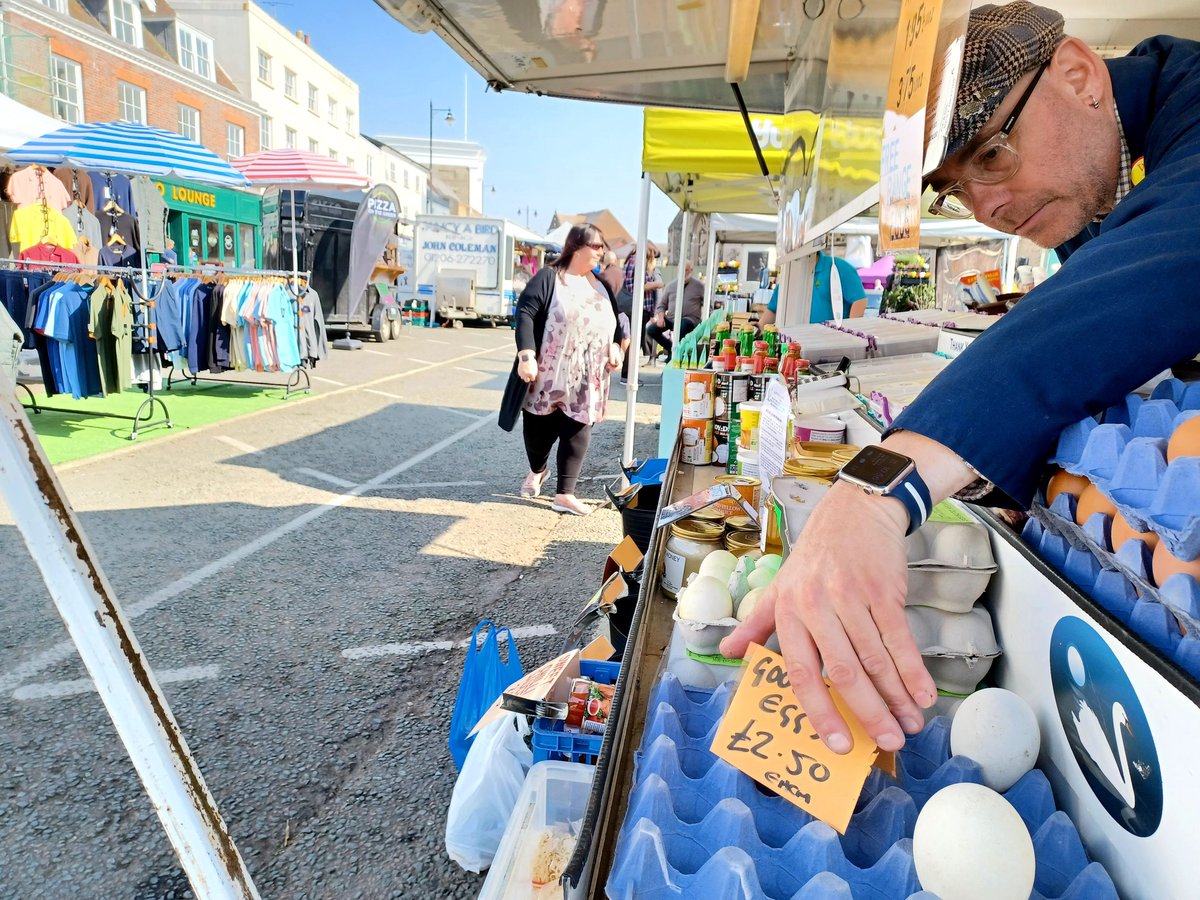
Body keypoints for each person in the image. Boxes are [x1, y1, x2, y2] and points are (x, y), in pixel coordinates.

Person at [722, 1, 1200, 757]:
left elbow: (1139, 284)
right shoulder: (1105, 169)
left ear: (1078, 75)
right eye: (956, 189)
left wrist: (879, 494)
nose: (988, 208)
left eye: (991, 156)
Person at [513, 224, 623, 516]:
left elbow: (617, 327)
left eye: (603, 247)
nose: (602, 252)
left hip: (588, 375)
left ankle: (565, 493)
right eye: (596, 246)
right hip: (548, 373)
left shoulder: (600, 286)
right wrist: (526, 355)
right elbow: (525, 312)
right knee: (537, 434)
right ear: (576, 246)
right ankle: (538, 468)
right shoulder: (550, 278)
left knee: (578, 429)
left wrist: (616, 347)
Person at [759, 250, 865, 326]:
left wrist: (849, 333)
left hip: (832, 344)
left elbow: (859, 300)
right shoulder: (791, 275)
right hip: (796, 345)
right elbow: (773, 310)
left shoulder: (837, 267)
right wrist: (758, 328)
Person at [617, 246, 664, 381]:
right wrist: (656, 284)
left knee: (635, 342)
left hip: (641, 308)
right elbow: (635, 287)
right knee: (634, 342)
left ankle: (629, 373)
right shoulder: (636, 261)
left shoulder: (635, 261)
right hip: (636, 307)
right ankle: (627, 374)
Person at [646, 260, 706, 359]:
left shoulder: (699, 286)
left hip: (689, 320)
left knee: (682, 326)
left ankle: (674, 356)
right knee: (651, 330)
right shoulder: (671, 286)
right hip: (672, 318)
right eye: (681, 270)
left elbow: (708, 304)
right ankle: (671, 348)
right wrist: (660, 317)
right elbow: (662, 305)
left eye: (686, 270)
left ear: (691, 270)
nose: (683, 273)